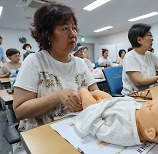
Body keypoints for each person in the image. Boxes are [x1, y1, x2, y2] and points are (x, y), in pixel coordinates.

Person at [13, 3, 98, 134]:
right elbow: (19, 111)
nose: (73, 34)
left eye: (74, 28)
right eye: (65, 28)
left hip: (79, 129)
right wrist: (57, 96)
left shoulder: (80, 63)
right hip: (42, 134)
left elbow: (96, 94)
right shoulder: (35, 61)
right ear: (48, 35)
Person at [74, 88, 158, 150]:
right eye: (155, 102)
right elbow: (133, 105)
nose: (150, 102)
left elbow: (102, 131)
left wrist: (96, 110)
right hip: (113, 103)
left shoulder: (126, 133)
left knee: (84, 91)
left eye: (151, 108)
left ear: (149, 132)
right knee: (97, 92)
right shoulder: (144, 119)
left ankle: (84, 93)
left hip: (99, 111)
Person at [122, 23, 158, 95]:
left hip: (150, 91)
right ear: (139, 40)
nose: (152, 39)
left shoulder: (149, 54)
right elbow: (139, 81)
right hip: (134, 96)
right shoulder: (130, 56)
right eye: (149, 35)